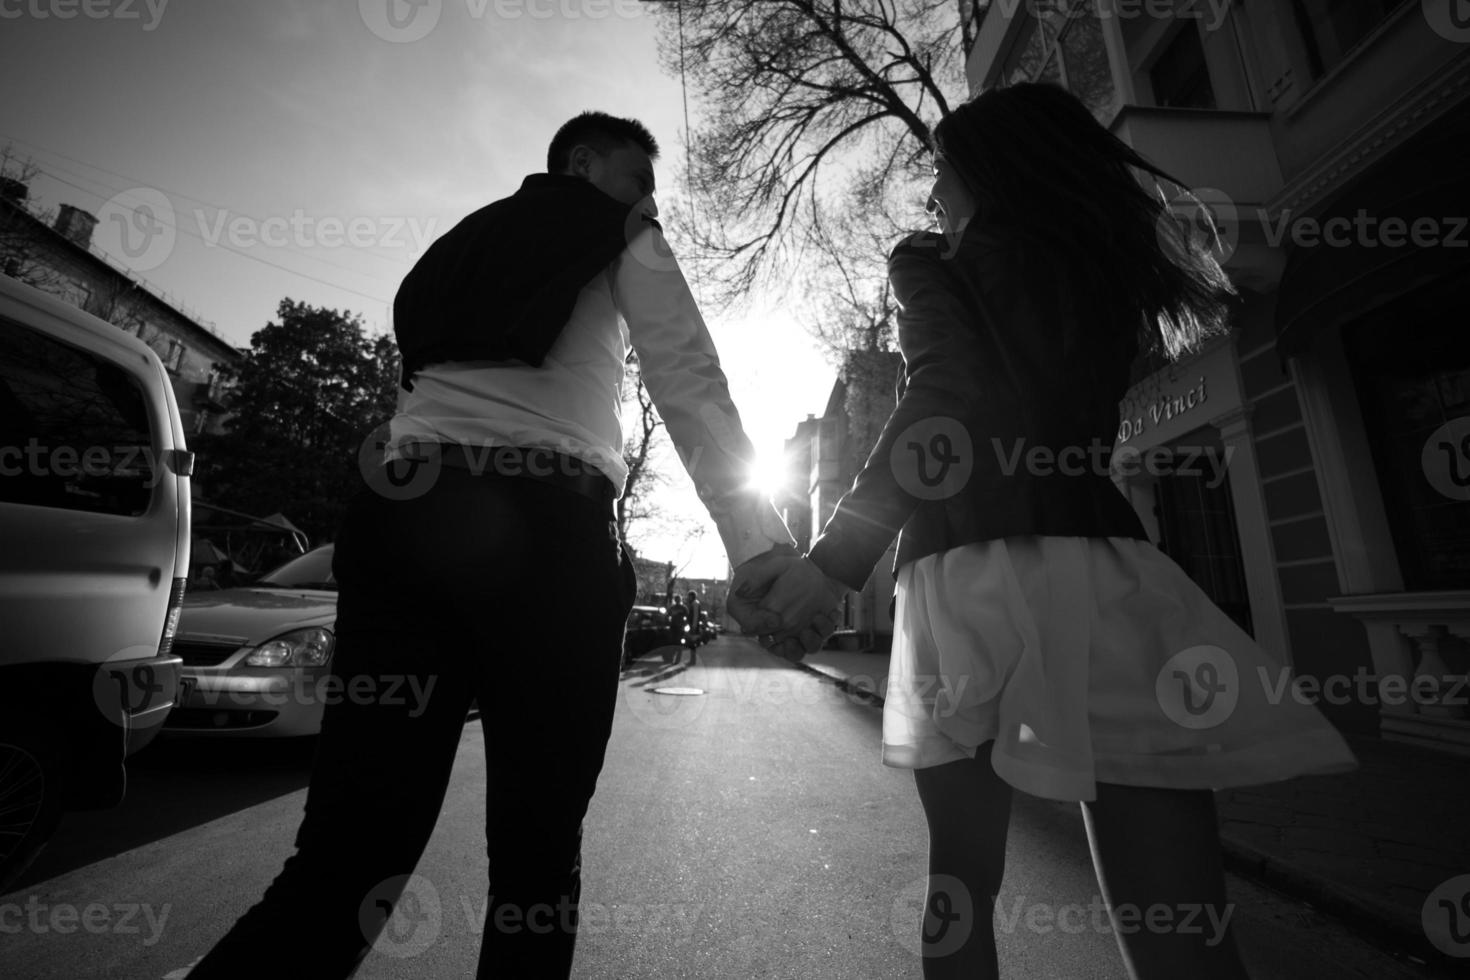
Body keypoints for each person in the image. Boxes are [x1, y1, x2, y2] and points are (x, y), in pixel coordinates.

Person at [730, 82, 1357, 980]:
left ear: (982, 171)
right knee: (1181, 922)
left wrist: (835, 563)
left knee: (962, 891)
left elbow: (943, 402)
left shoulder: (930, 262)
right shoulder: (1106, 263)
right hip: (1104, 568)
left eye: (940, 173)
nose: (934, 194)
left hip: (968, 581)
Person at [183, 111, 794, 980]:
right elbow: (687, 374)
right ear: (584, 163)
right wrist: (760, 548)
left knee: (348, 858)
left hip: (402, 528)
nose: (647, 203)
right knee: (535, 863)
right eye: (636, 180)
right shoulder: (621, 230)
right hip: (546, 537)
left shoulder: (450, 248)